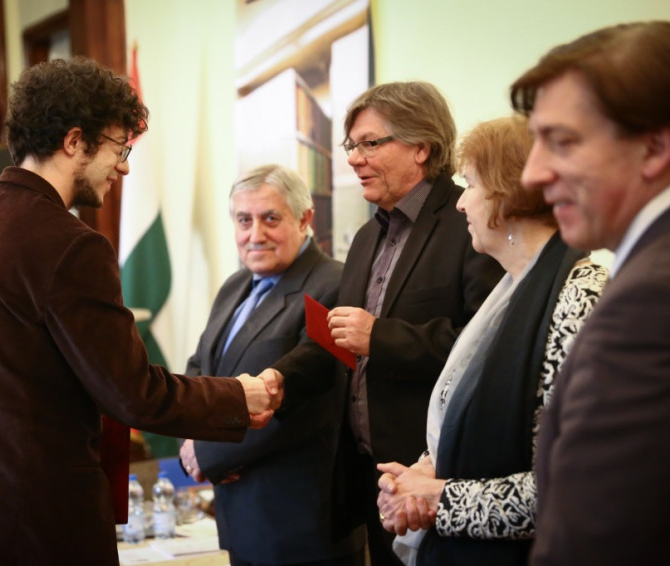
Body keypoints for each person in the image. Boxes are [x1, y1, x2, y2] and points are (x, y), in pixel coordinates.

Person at [0, 57, 281, 566]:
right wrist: (238, 396)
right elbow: (133, 394)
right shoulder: (73, 245)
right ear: (75, 141)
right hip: (29, 521)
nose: (125, 166)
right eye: (119, 148)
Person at [261, 81, 504, 565]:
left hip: (439, 480)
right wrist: (279, 379)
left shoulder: (470, 223)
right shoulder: (366, 237)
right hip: (372, 481)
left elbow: (489, 350)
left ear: (421, 147)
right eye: (351, 146)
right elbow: (340, 340)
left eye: (370, 143)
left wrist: (380, 336)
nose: (354, 159)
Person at [374, 115, 608, 566]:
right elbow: (466, 413)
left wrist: (438, 497)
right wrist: (423, 472)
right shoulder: (509, 291)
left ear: (509, 195)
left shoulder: (582, 297)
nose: (462, 204)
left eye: (472, 185)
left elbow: (575, 488)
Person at [508, 21, 670, 566]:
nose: (533, 174)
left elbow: (594, 540)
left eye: (563, 142)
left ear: (654, 148)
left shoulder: (647, 303)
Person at [179, 164, 365, 566]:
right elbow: (200, 367)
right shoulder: (235, 285)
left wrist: (209, 453)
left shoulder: (335, 285)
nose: (255, 235)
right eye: (243, 220)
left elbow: (311, 400)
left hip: (300, 528)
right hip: (242, 519)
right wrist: (188, 440)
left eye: (270, 219)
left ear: (305, 219)